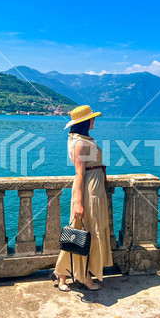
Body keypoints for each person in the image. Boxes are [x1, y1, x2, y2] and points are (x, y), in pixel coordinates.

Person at [51, 105, 113, 291]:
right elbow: (79, 174)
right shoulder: (80, 143)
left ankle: (62, 275)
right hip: (88, 191)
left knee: (78, 232)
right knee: (86, 233)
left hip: (94, 189)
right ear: (86, 121)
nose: (95, 120)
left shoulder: (82, 140)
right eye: (93, 118)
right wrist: (78, 203)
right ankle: (83, 276)